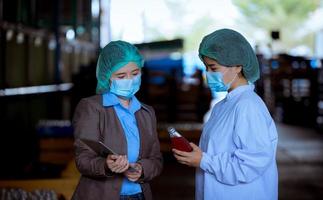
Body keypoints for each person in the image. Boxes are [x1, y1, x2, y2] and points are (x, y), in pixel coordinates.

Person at [172, 29, 278, 200]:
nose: (208, 74)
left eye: (213, 68)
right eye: (206, 67)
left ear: (237, 66)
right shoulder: (223, 106)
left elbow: (251, 164)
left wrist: (204, 161)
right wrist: (200, 155)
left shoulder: (248, 106)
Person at [72, 40, 163, 200]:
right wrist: (106, 165)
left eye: (135, 74)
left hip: (139, 195)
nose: (130, 80)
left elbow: (156, 159)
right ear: (107, 77)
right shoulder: (92, 108)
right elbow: (83, 159)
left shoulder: (146, 113)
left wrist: (142, 169)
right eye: (121, 76)